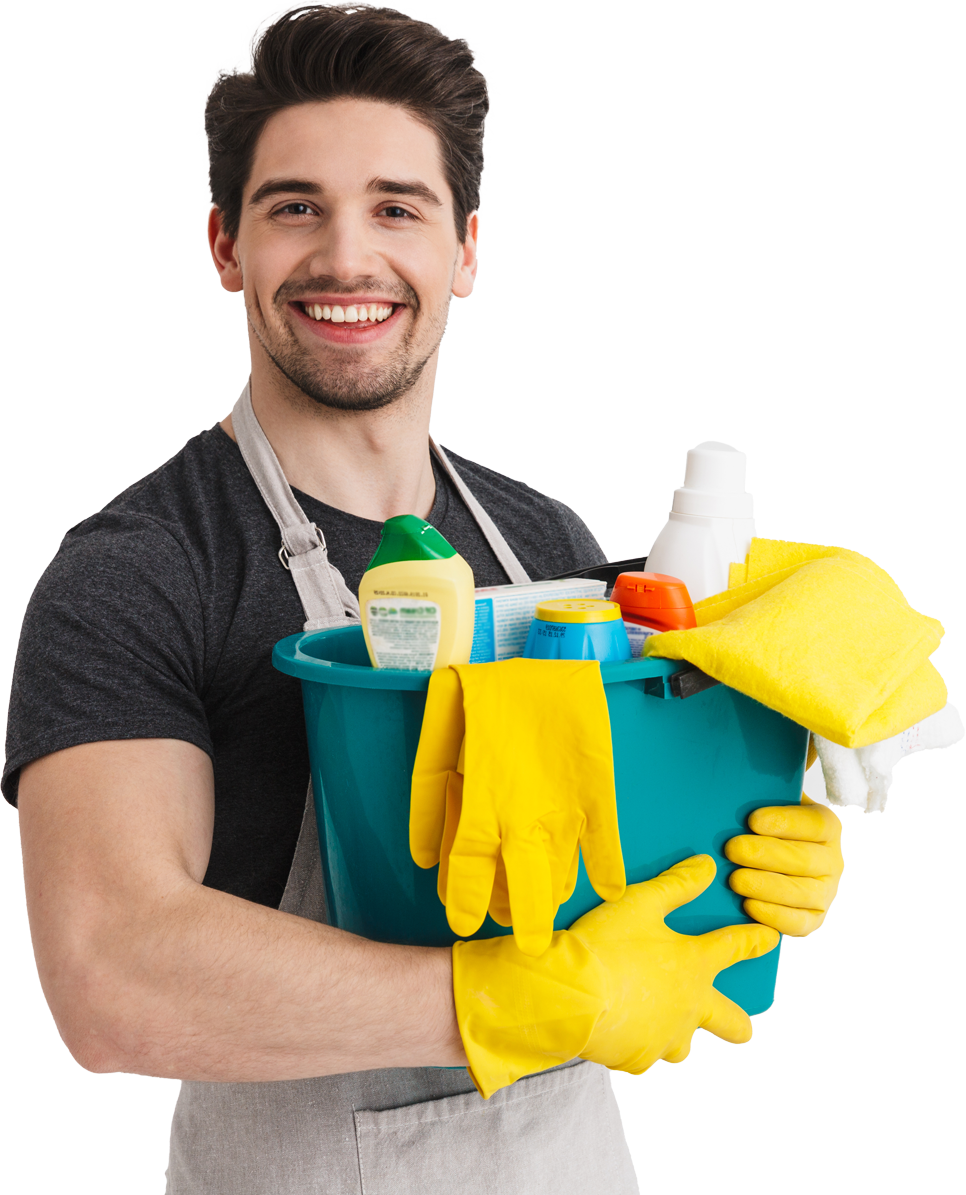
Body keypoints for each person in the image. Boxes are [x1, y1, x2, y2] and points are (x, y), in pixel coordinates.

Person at [4, 5, 843, 1193]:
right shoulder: (139, 572)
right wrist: (510, 1000)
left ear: (466, 249)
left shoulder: (548, 553)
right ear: (226, 244)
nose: (347, 257)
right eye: (296, 207)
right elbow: (112, 973)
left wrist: (741, 856)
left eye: (397, 208)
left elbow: (625, 891)